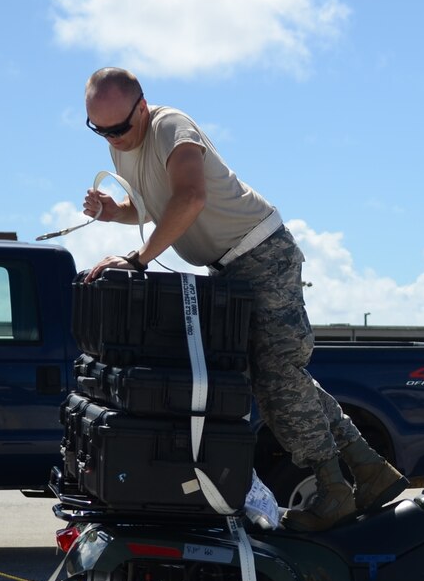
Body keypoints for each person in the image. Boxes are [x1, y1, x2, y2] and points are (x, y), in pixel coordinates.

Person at [78, 66, 404, 530]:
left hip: (261, 252)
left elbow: (189, 197)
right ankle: (368, 468)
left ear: (142, 107)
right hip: (230, 268)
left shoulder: (171, 127)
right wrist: (116, 213)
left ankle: (335, 489)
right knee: (278, 377)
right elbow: (157, 204)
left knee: (276, 377)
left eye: (120, 127)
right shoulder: (123, 149)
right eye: (100, 130)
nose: (113, 138)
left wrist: (138, 258)